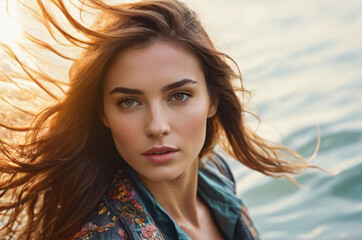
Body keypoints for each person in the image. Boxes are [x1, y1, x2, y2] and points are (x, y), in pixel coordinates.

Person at [0, 0, 317, 239]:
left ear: (213, 100)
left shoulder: (216, 173)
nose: (156, 126)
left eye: (179, 96)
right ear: (103, 114)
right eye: (129, 102)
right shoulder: (102, 233)